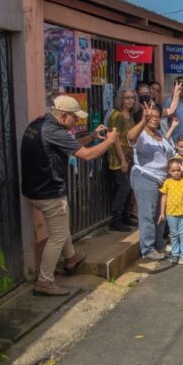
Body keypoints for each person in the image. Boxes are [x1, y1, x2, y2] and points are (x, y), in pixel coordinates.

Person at [21, 95, 118, 295]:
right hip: (50, 192)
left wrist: (91, 137)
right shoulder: (54, 131)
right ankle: (44, 281)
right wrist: (110, 141)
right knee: (57, 235)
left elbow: (70, 146)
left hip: (33, 189)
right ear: (64, 116)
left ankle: (71, 258)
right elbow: (87, 155)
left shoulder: (38, 125)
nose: (77, 122)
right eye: (76, 118)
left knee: (61, 226)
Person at [128, 103, 175, 261]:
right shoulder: (142, 135)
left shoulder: (160, 134)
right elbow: (130, 137)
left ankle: (159, 244)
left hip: (162, 180)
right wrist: (142, 121)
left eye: (157, 116)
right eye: (151, 117)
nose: (154, 119)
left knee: (160, 215)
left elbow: (171, 153)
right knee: (147, 213)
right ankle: (147, 249)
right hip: (145, 177)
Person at [107, 88, 138, 232]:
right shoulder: (117, 115)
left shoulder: (130, 114)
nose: (130, 100)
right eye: (127, 98)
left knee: (129, 187)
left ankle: (126, 215)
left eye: (132, 97)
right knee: (124, 188)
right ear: (121, 99)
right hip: (119, 158)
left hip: (130, 155)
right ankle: (116, 219)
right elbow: (115, 140)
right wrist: (123, 160)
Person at [158, 157, 183, 265]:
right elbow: (164, 197)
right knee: (173, 234)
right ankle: (175, 254)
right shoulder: (167, 182)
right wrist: (162, 213)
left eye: (178, 170)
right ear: (169, 171)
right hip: (171, 213)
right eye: (173, 171)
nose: (176, 173)